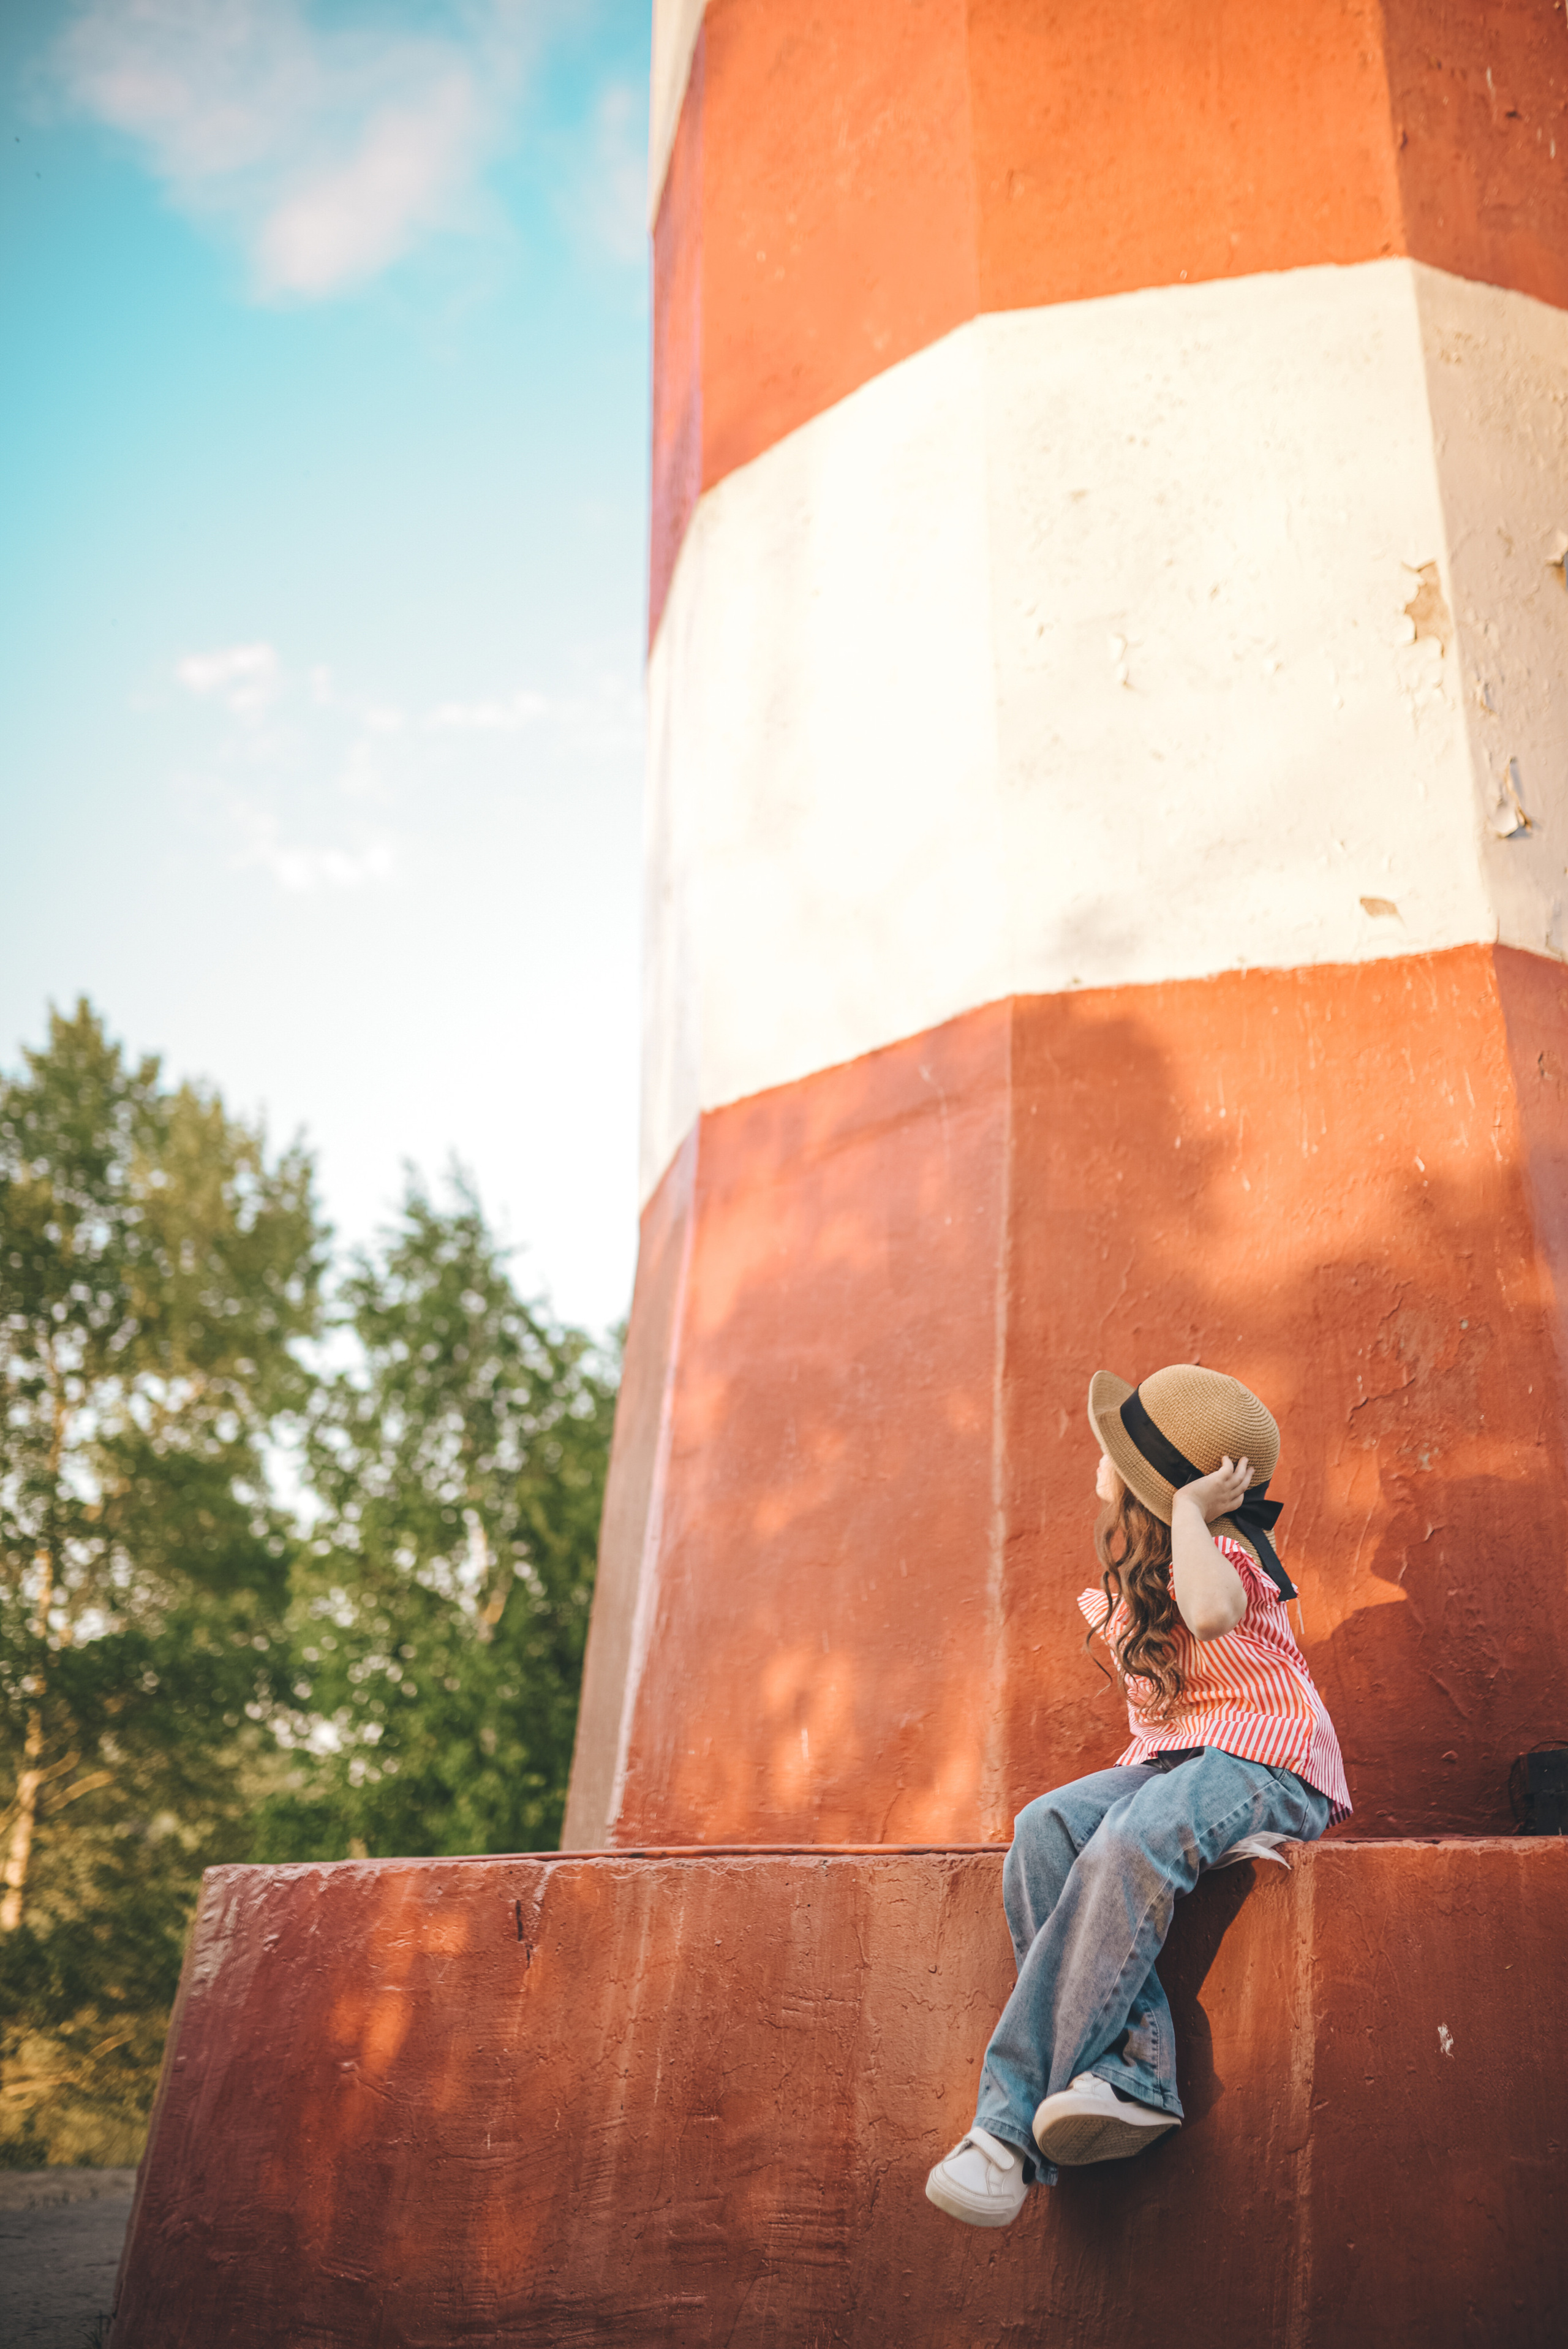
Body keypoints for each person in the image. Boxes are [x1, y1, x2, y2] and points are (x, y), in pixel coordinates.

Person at [925, 1363, 1351, 2228]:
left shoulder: (1222, 1552)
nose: (1101, 1457)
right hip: (1179, 1766)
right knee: (1046, 1826)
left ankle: (1003, 2133)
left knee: (1129, 1840)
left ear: (1157, 1483)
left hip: (1268, 1764)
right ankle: (1133, 2073)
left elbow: (1214, 1616)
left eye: (1118, 1449)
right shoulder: (1145, 1569)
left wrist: (1191, 1510)